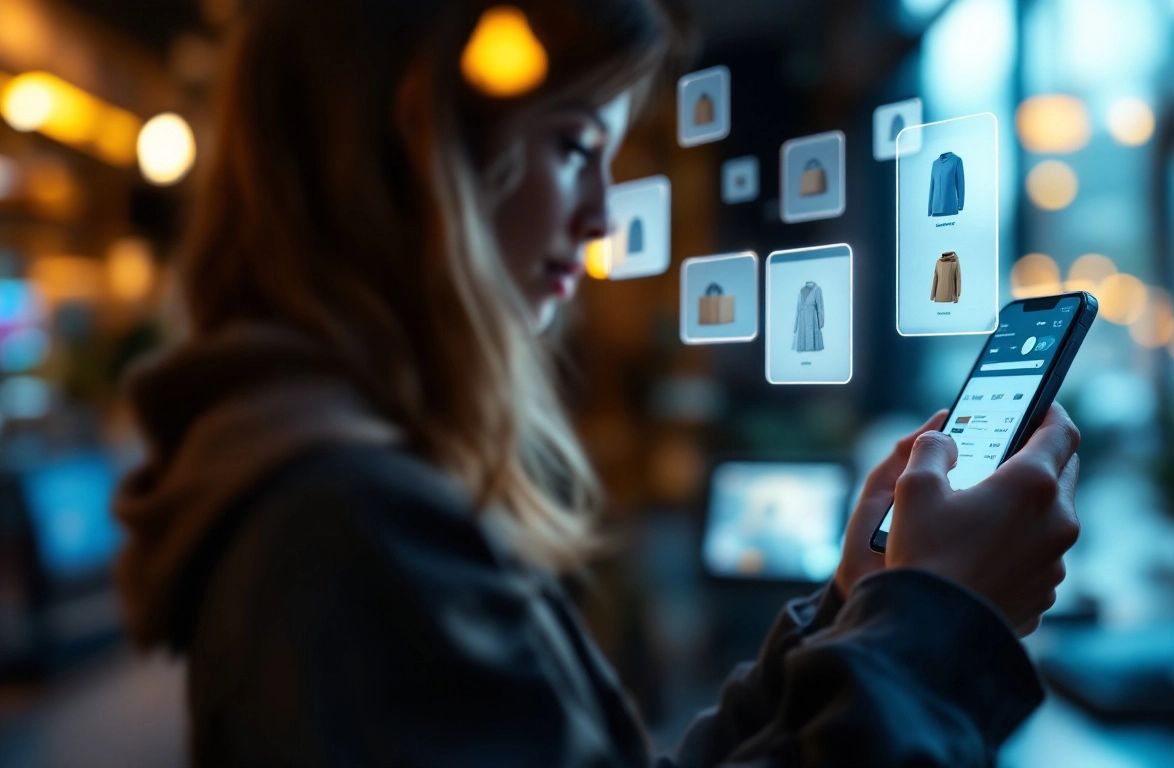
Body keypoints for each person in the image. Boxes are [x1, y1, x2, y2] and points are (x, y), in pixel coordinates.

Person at [113, 0, 1082, 765]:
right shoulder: (348, 531)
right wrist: (937, 629)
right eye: (574, 145)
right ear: (424, 145)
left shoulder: (341, 490)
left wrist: (855, 603)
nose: (600, 219)